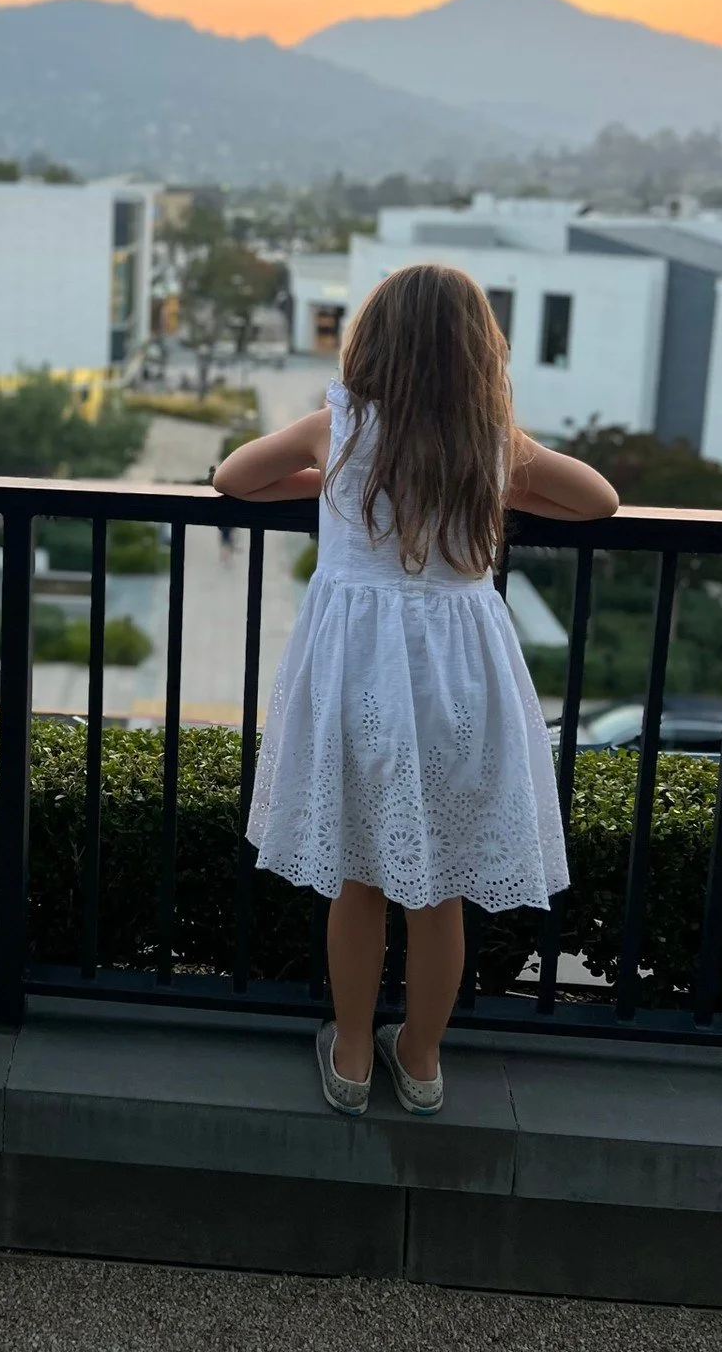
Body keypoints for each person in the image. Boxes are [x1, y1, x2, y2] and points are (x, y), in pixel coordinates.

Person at [211, 264, 617, 1118]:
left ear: (374, 342)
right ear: (478, 353)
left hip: (359, 671)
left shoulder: (340, 427)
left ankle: (353, 1054)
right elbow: (599, 500)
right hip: (459, 675)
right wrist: (510, 473)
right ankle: (423, 1058)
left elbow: (232, 478)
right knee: (440, 888)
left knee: (359, 876)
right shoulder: (490, 442)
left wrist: (322, 483)